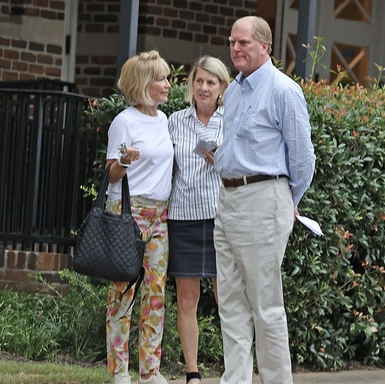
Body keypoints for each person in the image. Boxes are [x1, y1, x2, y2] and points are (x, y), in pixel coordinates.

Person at [213, 16, 316, 384]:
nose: (235, 49)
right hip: (227, 200)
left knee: (266, 306)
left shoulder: (283, 90)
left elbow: (303, 160)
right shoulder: (236, 90)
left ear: (265, 46)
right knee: (230, 303)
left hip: (264, 198)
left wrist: (288, 201)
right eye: (232, 42)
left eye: (243, 43)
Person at [104, 50, 174, 384]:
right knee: (123, 292)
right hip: (127, 212)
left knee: (156, 292)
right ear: (144, 83)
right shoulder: (124, 122)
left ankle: (151, 371)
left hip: (160, 214)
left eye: (168, 78)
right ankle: (119, 371)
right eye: (161, 78)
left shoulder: (163, 120)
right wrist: (126, 161)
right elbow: (112, 175)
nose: (168, 84)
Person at [167, 56, 231, 384]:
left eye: (212, 82)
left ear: (222, 88)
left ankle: (234, 369)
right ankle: (192, 372)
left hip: (222, 219)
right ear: (191, 84)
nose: (204, 87)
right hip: (183, 218)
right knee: (187, 297)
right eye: (199, 80)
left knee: (227, 297)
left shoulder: (233, 120)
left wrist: (223, 161)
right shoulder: (175, 121)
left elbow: (247, 169)